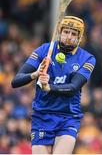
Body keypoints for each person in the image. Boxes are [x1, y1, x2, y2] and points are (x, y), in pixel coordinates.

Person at [11, 16, 96, 154]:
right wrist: (35, 74)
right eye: (66, 32)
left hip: (68, 117)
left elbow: (73, 88)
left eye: (73, 34)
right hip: (42, 115)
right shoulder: (44, 50)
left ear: (79, 38)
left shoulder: (87, 59)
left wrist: (49, 87)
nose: (69, 37)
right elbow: (16, 81)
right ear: (60, 32)